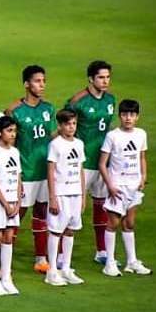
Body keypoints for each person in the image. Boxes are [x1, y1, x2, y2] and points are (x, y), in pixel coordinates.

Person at [66, 60, 117, 266]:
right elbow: (64, 124)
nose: (105, 81)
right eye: (101, 77)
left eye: (107, 77)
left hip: (103, 162)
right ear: (91, 79)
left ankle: (101, 250)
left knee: (101, 206)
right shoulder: (78, 101)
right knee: (74, 207)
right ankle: (62, 254)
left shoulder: (111, 99)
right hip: (82, 163)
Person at [6, 65, 56, 273]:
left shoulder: (49, 109)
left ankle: (41, 259)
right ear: (26, 84)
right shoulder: (15, 111)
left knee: (42, 213)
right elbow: (8, 142)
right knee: (17, 215)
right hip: (25, 172)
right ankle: (5, 257)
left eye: (43, 81)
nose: (41, 85)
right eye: (37, 81)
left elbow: (53, 136)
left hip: (44, 171)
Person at [99, 99, 150, 276]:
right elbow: (102, 164)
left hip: (134, 186)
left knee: (129, 223)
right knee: (113, 223)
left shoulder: (141, 134)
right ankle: (110, 263)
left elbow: (141, 157)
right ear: (120, 116)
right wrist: (110, 185)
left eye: (132, 115)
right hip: (118, 186)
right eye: (125, 114)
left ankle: (131, 262)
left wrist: (143, 176)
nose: (128, 118)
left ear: (137, 116)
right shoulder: (112, 136)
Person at [44, 110, 86, 286]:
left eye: (74, 124)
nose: (71, 127)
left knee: (70, 230)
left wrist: (83, 196)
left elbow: (81, 170)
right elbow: (51, 171)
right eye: (68, 124)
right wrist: (52, 197)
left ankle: (66, 268)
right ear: (60, 126)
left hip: (75, 193)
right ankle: (52, 271)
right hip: (60, 193)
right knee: (55, 231)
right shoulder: (56, 145)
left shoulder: (79, 144)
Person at [0, 116, 23, 296]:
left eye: (14, 131)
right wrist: (5, 203)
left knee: (9, 236)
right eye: (9, 131)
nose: (13, 134)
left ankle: (6, 277)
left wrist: (17, 202)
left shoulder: (14, 152)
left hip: (12, 202)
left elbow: (18, 178)